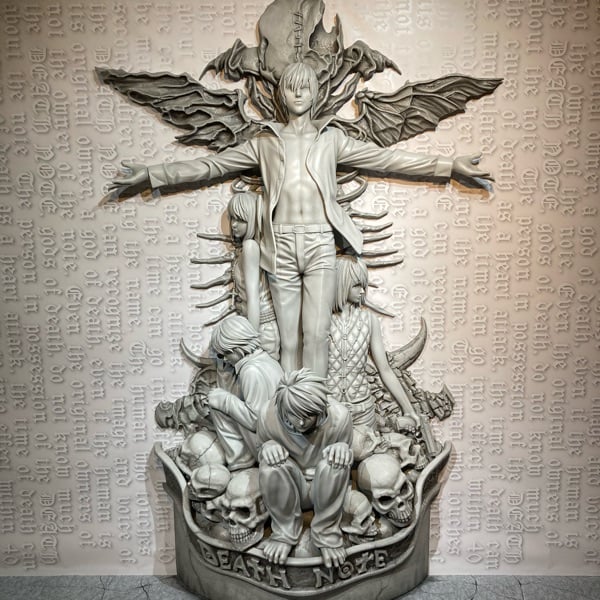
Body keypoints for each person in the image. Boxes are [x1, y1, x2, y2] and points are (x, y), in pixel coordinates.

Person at [111, 62, 493, 378]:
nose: (298, 94)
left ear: (315, 94)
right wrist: (153, 175)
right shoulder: (264, 142)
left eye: (305, 87)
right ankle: (286, 413)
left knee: (317, 333)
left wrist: (448, 167)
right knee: (288, 339)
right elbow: (213, 165)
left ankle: (316, 409)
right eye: (291, 88)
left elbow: (387, 159)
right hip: (280, 244)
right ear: (281, 94)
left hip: (320, 242)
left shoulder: (332, 140)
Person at [256, 368, 352, 568]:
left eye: (309, 415)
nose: (300, 422)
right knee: (271, 464)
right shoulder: (267, 415)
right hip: (290, 485)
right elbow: (260, 448)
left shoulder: (340, 416)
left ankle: (326, 533)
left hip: (325, 487)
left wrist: (342, 448)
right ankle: (284, 532)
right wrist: (268, 446)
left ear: (321, 408)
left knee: (336, 462)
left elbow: (346, 454)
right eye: (293, 414)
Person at [328, 256, 420, 458]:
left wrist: (408, 409)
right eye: (356, 285)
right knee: (333, 462)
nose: (362, 291)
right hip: (330, 413)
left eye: (364, 285)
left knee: (370, 465)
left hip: (363, 412)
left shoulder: (369, 321)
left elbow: (385, 370)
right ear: (341, 283)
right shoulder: (322, 320)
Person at [207, 315, 283, 471]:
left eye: (225, 354)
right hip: (277, 438)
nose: (225, 359)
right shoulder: (266, 360)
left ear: (236, 348)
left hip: (269, 445)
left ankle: (241, 461)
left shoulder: (250, 371)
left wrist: (225, 401)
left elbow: (256, 421)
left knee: (216, 403)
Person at [227, 191, 280, 360]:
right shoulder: (250, 247)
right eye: (232, 218)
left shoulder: (250, 247)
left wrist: (251, 342)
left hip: (260, 329)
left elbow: (253, 298)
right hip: (258, 326)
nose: (234, 224)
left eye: (240, 219)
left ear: (252, 220)